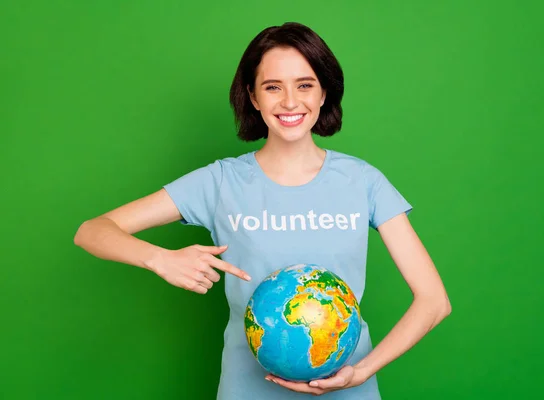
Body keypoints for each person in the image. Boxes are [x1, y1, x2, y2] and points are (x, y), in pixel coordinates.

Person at [74, 22, 451, 399]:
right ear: (253, 96)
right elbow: (92, 230)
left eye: (305, 85)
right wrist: (160, 258)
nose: (290, 102)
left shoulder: (363, 181)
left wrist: (361, 372)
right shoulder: (220, 182)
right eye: (273, 87)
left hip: (349, 390)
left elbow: (434, 301)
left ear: (324, 94)